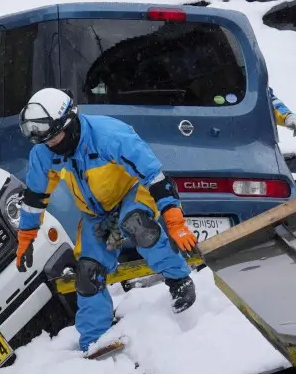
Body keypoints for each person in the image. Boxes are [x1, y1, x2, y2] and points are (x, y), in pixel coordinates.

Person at [16, 88, 197, 351]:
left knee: (137, 225)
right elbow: (34, 198)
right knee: (88, 273)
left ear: (70, 122)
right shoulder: (44, 153)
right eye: (45, 140)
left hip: (133, 193)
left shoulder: (109, 136)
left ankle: (180, 280)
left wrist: (175, 221)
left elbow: (155, 176)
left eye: (54, 136)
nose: (51, 144)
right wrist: (26, 236)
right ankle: (94, 340)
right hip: (96, 214)